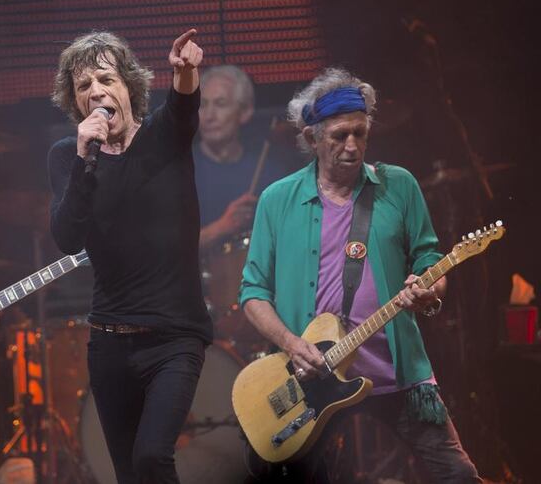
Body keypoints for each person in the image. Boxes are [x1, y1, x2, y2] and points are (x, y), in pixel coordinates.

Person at [239, 67, 481, 482]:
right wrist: (291, 343)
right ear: (311, 138)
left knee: (457, 474)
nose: (352, 146)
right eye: (338, 136)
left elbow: (429, 260)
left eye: (360, 134)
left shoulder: (398, 185)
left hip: (396, 372)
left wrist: (429, 289)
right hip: (315, 379)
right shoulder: (277, 200)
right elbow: (253, 292)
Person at [47, 29, 209, 483]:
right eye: (83, 86)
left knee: (152, 458)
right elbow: (67, 237)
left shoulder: (163, 137)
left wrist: (186, 71)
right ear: (74, 101)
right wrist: (84, 158)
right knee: (128, 474)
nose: (95, 92)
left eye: (105, 79)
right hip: (109, 343)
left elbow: (183, 107)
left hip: (174, 339)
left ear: (128, 87)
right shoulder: (69, 156)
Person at [195, 65, 286, 252]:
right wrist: (222, 227)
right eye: (203, 105)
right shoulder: (178, 170)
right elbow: (164, 250)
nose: (209, 116)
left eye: (220, 104)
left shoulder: (269, 174)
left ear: (245, 112)